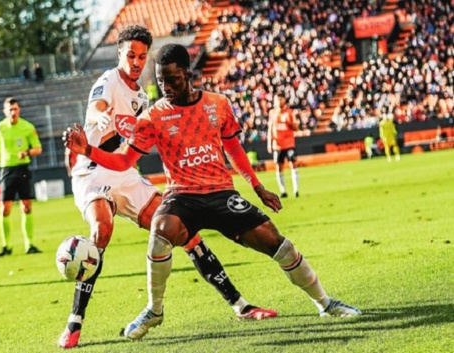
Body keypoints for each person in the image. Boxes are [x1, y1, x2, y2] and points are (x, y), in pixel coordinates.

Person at [64, 43, 361, 340]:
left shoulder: (218, 104)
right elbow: (123, 161)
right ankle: (155, 310)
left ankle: (325, 302)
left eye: (173, 80)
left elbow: (234, 148)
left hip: (221, 193)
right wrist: (87, 149)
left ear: (188, 74)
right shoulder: (153, 117)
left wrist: (257, 187)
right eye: (161, 81)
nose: (166, 87)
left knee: (277, 242)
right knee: (161, 228)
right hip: (182, 195)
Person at [58, 26, 276, 349]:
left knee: (184, 232)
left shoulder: (143, 97)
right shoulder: (108, 80)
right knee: (101, 230)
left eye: (141, 56)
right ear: (119, 53)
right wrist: (101, 118)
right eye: (130, 55)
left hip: (125, 174)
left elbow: (131, 149)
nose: (135, 61)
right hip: (92, 173)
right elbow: (97, 105)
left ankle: (240, 304)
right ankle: (74, 324)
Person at [0, 97, 43, 258]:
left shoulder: (28, 127)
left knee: (26, 206)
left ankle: (29, 244)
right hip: (6, 170)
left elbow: (38, 148)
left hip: (22, 168)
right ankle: (6, 246)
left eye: (15, 109)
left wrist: (27, 152)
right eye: (10, 109)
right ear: (4, 111)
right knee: (5, 208)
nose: (13, 112)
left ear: (19, 110)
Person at [267, 92, 300, 198]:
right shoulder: (272, 113)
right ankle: (283, 191)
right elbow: (270, 129)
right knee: (279, 167)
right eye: (277, 100)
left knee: (293, 164)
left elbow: (296, 128)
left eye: (280, 99)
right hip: (277, 145)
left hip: (289, 143)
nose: (278, 101)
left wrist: (290, 122)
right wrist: (269, 143)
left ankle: (296, 190)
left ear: (284, 100)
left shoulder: (290, 112)